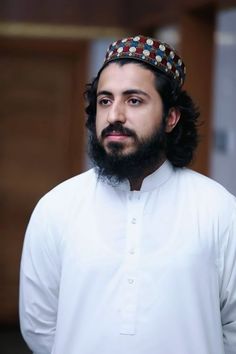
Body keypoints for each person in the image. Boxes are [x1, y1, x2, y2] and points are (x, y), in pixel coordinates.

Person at [19, 35, 236, 354]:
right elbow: (39, 326)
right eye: (105, 101)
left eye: (134, 100)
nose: (114, 115)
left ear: (171, 118)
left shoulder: (218, 208)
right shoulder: (57, 207)